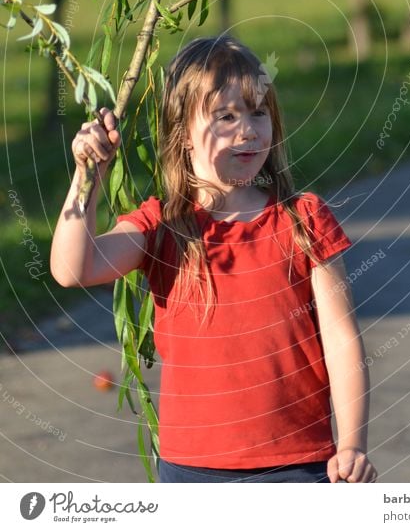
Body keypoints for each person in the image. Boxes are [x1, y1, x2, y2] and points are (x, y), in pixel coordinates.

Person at [51, 35, 377, 484]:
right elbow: (73, 269)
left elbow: (341, 338)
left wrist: (352, 444)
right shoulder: (162, 225)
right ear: (184, 134)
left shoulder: (303, 220)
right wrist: (88, 176)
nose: (247, 130)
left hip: (299, 465)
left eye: (258, 113)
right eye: (226, 116)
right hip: (192, 473)